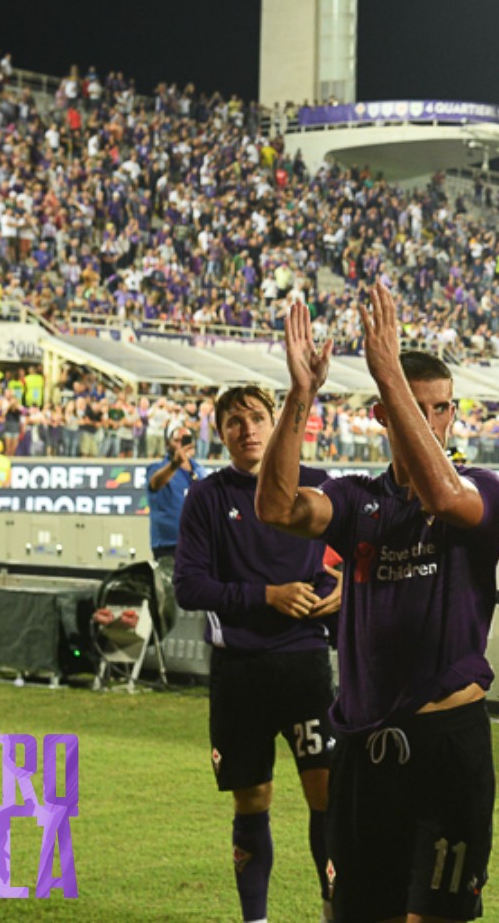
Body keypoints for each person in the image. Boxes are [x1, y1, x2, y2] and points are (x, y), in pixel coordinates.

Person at [256, 292, 499, 923]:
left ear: (454, 413)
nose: (429, 421)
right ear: (382, 415)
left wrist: (390, 371)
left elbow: (446, 498)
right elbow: (277, 508)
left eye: (439, 409)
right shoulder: (358, 499)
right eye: (410, 409)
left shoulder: (481, 489)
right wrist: (300, 395)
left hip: (447, 748)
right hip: (365, 749)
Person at [173, 384, 340, 923]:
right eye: (235, 421)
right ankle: (256, 919)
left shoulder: (318, 487)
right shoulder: (208, 496)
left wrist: (348, 589)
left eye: (257, 418)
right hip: (240, 670)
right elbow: (189, 587)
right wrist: (266, 595)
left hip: (305, 664)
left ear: (276, 423)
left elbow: (359, 562)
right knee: (252, 800)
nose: (248, 430)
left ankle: (335, 909)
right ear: (219, 433)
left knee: (328, 795)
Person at [148, 421, 206, 568]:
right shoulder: (157, 468)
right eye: (177, 440)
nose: (181, 444)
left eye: (185, 440)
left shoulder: (200, 471)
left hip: (197, 543)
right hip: (169, 544)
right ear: (168, 444)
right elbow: (155, 483)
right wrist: (175, 465)